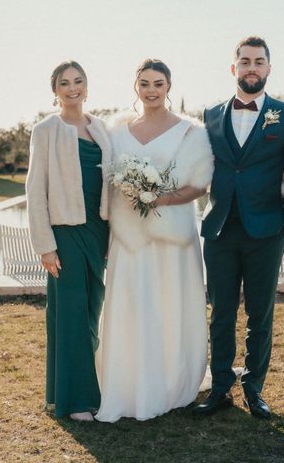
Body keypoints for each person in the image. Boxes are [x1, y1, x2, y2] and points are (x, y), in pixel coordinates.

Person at [193, 36, 284, 419]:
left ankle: (254, 388)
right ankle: (221, 387)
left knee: (260, 314)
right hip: (221, 228)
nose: (251, 67)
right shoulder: (210, 114)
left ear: (269, 69)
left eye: (259, 61)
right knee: (221, 313)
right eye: (244, 61)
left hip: (266, 231)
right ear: (234, 68)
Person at [95, 59, 213, 422]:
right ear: (136, 86)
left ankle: (171, 382)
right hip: (128, 238)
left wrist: (158, 197)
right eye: (144, 83)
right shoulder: (115, 130)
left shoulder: (191, 132)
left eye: (157, 83)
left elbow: (199, 184)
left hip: (172, 240)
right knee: (131, 304)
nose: (150, 90)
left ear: (168, 86)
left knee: (169, 305)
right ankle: (127, 382)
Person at [26, 61, 111, 421]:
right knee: (71, 312)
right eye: (65, 83)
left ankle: (69, 388)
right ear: (55, 91)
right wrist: (45, 245)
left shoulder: (103, 129)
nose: (72, 88)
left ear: (87, 86)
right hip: (65, 233)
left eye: (78, 81)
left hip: (99, 230)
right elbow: (35, 189)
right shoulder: (45, 130)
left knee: (92, 308)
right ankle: (76, 401)